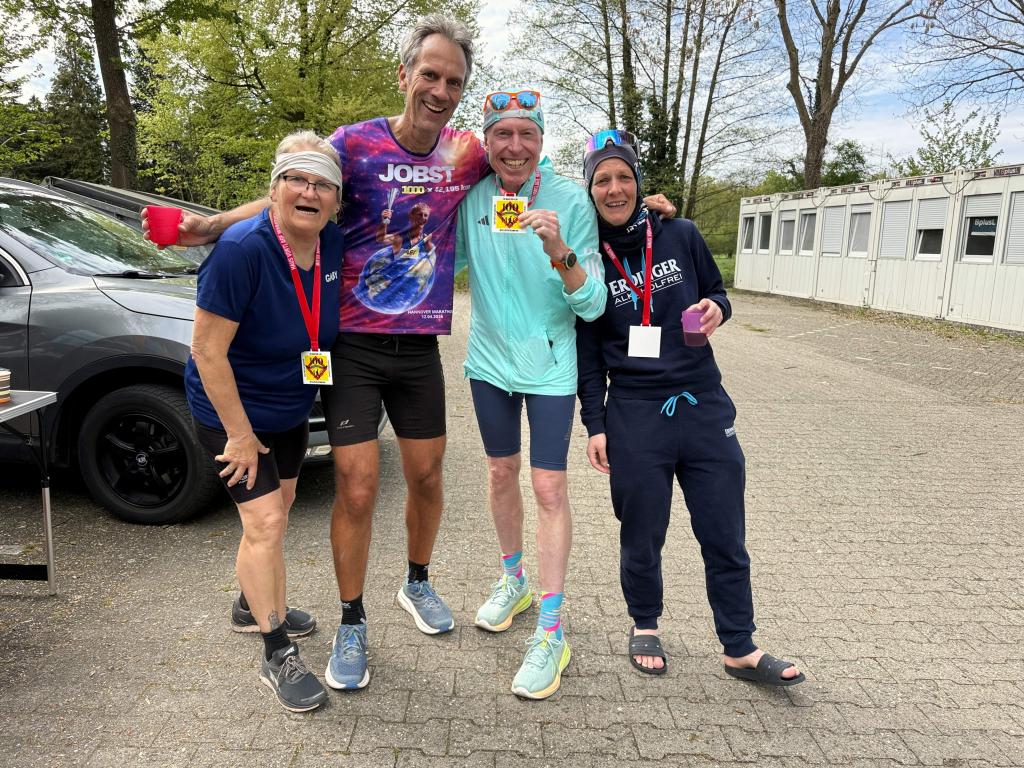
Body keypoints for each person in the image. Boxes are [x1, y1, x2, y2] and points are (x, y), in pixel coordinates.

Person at [145, 13, 673, 693]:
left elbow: (542, 168)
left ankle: (417, 581)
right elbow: (296, 185)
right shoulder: (354, 143)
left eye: (454, 82)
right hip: (355, 348)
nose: (440, 90)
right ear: (405, 75)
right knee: (358, 485)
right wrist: (214, 224)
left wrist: (643, 211)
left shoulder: (469, 153)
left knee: (426, 477)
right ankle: (352, 620)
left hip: (421, 348)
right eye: (430, 75)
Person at [576, 130, 805, 686]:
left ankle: (740, 646)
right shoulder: (588, 259)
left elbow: (718, 291)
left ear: (638, 183)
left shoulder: (680, 233)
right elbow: (587, 353)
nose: (615, 188)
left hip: (702, 403)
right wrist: (595, 425)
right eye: (602, 180)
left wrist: (717, 309)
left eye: (624, 176)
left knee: (724, 532)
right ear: (590, 190)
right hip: (634, 412)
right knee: (642, 531)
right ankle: (645, 624)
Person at [185, 131, 344, 712]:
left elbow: (296, 197)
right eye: (296, 179)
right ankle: (277, 652)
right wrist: (239, 435)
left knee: (281, 509)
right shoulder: (242, 251)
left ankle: (249, 604)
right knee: (267, 524)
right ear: (274, 188)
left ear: (336, 199)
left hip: (288, 408)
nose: (309, 192)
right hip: (232, 412)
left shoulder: (331, 241)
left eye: (322, 184)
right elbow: (207, 350)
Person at [456, 90, 606, 699]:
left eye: (527, 134)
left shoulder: (571, 199)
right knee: (499, 472)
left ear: (541, 142)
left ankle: (551, 629)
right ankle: (512, 579)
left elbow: (592, 303)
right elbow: (437, 258)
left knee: (548, 487)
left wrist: (558, 250)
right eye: (503, 134)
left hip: (549, 365)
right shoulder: (473, 199)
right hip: (489, 363)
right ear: (487, 142)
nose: (515, 146)